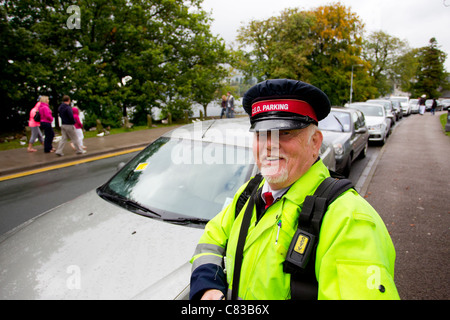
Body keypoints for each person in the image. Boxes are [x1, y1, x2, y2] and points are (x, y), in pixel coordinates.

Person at [190, 79, 399, 300]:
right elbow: (211, 240)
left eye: (285, 133)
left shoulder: (350, 220)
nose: (269, 144)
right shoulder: (251, 192)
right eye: (262, 134)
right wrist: (208, 288)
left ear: (315, 143)